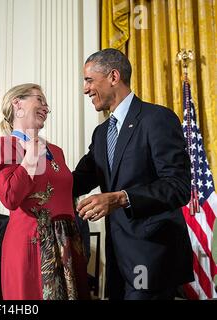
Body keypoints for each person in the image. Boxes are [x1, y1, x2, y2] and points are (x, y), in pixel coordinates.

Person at [73, 48, 193, 300]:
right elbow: (77, 180)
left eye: (89, 80)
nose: (85, 89)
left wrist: (120, 198)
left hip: (152, 257)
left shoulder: (156, 119)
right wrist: (36, 160)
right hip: (117, 261)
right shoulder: (102, 132)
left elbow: (178, 186)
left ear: (113, 76)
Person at [0, 83, 90, 300]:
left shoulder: (56, 151)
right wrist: (31, 155)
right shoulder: (3, 146)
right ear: (18, 103)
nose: (46, 107)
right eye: (40, 100)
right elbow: (10, 197)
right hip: (31, 244)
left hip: (67, 241)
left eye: (46, 103)